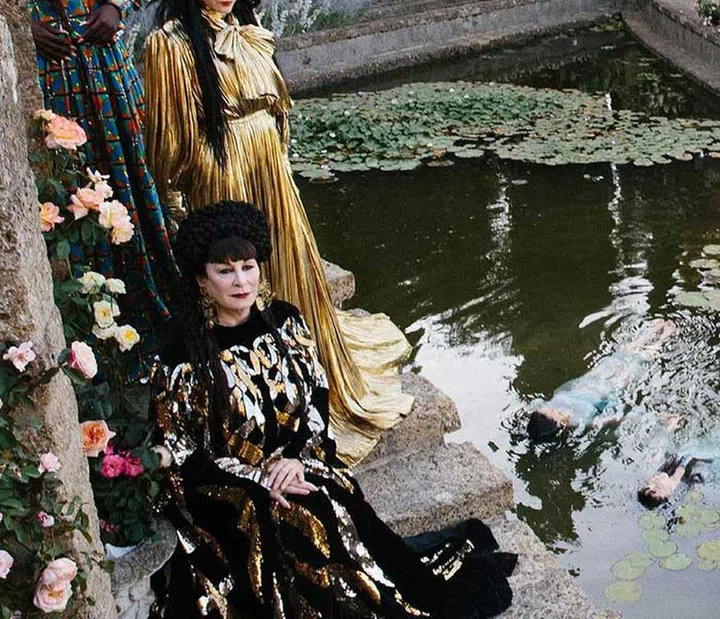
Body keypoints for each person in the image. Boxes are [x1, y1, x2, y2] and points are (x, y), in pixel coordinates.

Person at [150, 200, 516, 618]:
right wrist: (259, 479)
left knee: (332, 502)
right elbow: (180, 447)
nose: (240, 282)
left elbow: (315, 401)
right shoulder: (185, 353)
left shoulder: (285, 322)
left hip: (297, 463)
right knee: (302, 520)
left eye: (248, 267)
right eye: (225, 270)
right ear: (202, 278)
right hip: (232, 487)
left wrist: (295, 459)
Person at [143, 0, 412, 464]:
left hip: (269, 162)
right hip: (220, 166)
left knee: (287, 259)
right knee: (238, 268)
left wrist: (280, 155)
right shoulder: (170, 44)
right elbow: (168, 135)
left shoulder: (251, 32)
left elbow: (277, 104)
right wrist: (175, 195)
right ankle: (245, 391)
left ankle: (303, 369)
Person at [0, 0, 174, 346]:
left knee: (125, 178)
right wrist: (24, 24)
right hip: (50, 80)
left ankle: (154, 303)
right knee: (71, 193)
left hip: (106, 71)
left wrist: (115, 9)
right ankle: (88, 321)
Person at [527, 320, 676, 442]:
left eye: (548, 407)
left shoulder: (545, 409)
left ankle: (648, 334)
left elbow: (569, 388)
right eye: (553, 412)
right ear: (559, 424)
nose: (553, 407)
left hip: (592, 378)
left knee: (623, 353)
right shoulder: (579, 421)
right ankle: (663, 338)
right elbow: (615, 418)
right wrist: (656, 417)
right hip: (611, 388)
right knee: (637, 360)